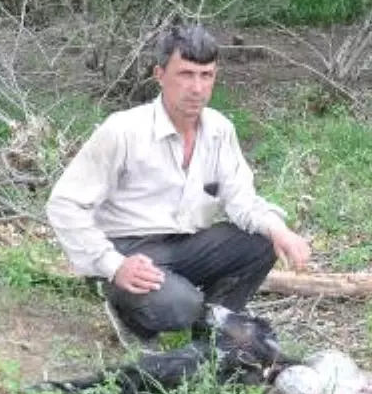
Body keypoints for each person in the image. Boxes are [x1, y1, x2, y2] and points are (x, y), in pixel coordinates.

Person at [45, 24, 310, 350]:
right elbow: (64, 204)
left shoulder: (219, 130)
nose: (197, 88)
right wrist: (113, 266)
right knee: (179, 304)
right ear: (159, 74)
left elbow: (242, 200)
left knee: (263, 240)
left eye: (206, 75)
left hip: (185, 244)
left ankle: (215, 327)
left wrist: (279, 231)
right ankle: (131, 313)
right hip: (128, 250)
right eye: (185, 74)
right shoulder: (124, 131)